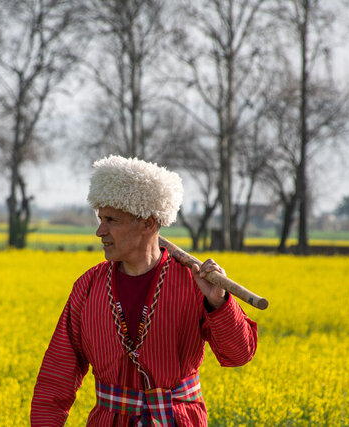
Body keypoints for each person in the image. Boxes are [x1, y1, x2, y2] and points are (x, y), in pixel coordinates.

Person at [31, 155, 258, 426]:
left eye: (112, 220)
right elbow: (57, 377)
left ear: (148, 223)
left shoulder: (195, 283)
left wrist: (218, 302)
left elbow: (239, 355)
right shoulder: (88, 287)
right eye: (100, 218)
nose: (99, 231)